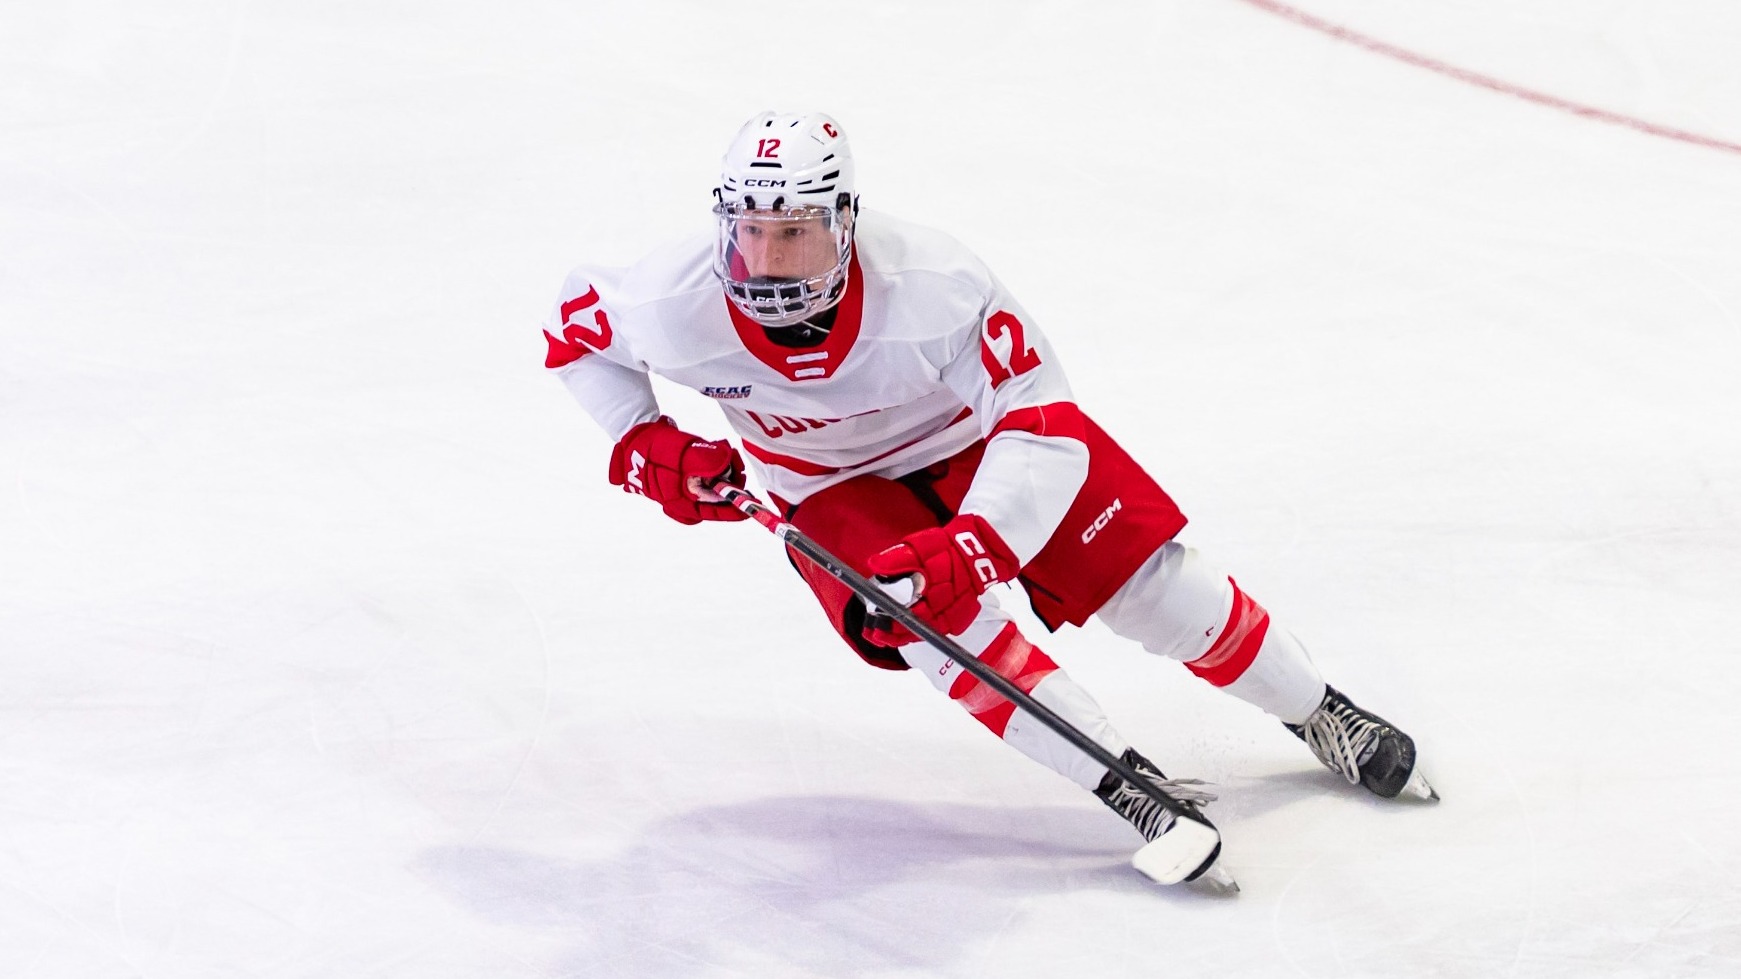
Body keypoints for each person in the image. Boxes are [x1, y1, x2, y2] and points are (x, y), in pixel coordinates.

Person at [543, 109, 1436, 885]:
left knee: (1157, 589)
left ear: (845, 220)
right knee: (933, 621)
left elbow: (1043, 421)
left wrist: (978, 539)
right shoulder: (670, 297)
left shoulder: (934, 284)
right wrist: (641, 441)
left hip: (983, 447)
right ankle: (1125, 782)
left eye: (797, 233)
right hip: (828, 488)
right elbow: (571, 331)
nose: (769, 261)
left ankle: (1322, 711)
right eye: (750, 231)